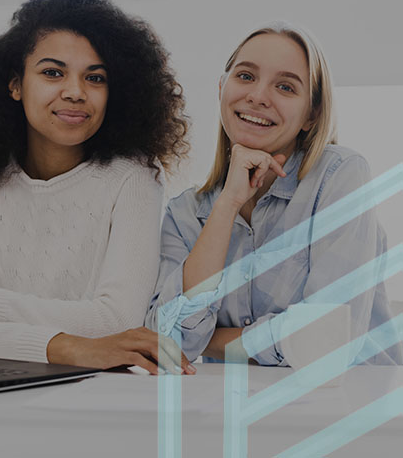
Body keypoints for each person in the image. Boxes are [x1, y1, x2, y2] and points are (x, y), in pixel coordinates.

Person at [0, 0, 195, 375]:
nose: (75, 92)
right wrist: (75, 348)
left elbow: (116, 322)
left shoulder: (135, 178)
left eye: (96, 78)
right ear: (16, 84)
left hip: (99, 395)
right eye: (53, 72)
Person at [145, 21, 403, 367]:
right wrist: (228, 205)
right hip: (232, 408)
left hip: (349, 404)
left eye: (285, 86)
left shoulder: (340, 176)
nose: (258, 96)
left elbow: (326, 340)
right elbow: (166, 341)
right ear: (222, 87)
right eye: (246, 76)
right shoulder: (185, 213)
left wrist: (208, 340)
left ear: (311, 114)